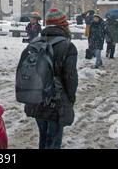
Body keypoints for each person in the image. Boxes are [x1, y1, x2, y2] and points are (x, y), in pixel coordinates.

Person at [22, 9, 78, 149]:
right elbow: (70, 77)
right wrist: (70, 99)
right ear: (63, 25)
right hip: (56, 101)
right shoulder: (67, 46)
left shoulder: (34, 44)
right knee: (53, 140)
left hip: (36, 98)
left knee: (44, 137)